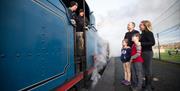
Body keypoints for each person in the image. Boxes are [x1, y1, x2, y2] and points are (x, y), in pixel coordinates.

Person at [139, 20, 155, 91]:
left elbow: (152, 42)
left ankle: (148, 87)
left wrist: (141, 43)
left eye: (141, 25)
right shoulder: (141, 34)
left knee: (148, 70)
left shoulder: (149, 33)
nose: (140, 26)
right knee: (144, 70)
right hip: (142, 53)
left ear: (145, 26)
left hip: (147, 53)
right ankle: (148, 85)